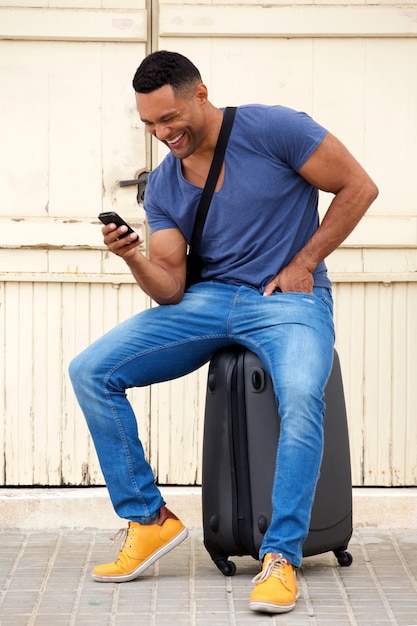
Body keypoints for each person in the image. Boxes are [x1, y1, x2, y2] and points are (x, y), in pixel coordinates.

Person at [69, 50, 378, 614]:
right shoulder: (163, 186)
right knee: (92, 370)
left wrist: (304, 261)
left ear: (200, 95)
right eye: (149, 125)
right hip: (210, 301)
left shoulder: (275, 128)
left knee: (303, 398)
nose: (162, 134)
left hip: (289, 300)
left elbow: (358, 187)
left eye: (169, 119)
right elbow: (169, 289)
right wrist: (133, 256)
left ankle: (280, 556)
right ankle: (149, 518)